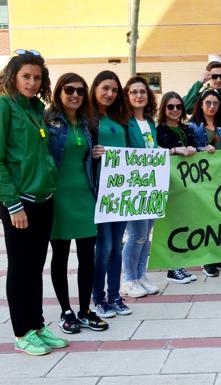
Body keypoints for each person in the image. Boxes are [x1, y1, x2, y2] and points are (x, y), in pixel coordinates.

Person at [0, 50, 68, 355]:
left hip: (44, 198)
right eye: (26, 76)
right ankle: (21, 332)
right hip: (20, 202)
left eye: (36, 77)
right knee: (20, 266)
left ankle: (37, 325)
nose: (31, 82)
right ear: (13, 76)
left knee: (36, 266)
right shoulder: (4, 106)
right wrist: (12, 204)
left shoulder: (35, 108)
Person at [47, 73, 108, 334]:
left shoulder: (86, 123)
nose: (75, 95)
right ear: (59, 92)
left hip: (85, 195)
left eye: (80, 91)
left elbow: (84, 158)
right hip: (58, 197)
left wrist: (95, 154)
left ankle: (85, 310)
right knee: (60, 256)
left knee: (87, 257)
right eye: (69, 90)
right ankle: (66, 311)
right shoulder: (48, 121)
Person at [89, 70, 132, 318]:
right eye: (105, 88)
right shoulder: (88, 120)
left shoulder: (119, 121)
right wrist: (91, 153)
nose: (109, 94)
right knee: (103, 248)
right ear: (95, 88)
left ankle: (114, 296)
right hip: (100, 193)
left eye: (114, 90)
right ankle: (98, 298)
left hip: (121, 193)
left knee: (117, 246)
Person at [120, 76, 160, 297]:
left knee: (146, 234)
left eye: (142, 91)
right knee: (136, 235)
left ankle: (140, 274)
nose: (138, 95)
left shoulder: (151, 123)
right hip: (134, 186)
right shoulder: (125, 124)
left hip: (151, 185)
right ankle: (129, 279)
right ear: (127, 96)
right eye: (133, 92)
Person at [188, 88, 221, 277]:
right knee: (204, 219)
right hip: (202, 180)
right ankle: (205, 259)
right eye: (208, 103)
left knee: (217, 218)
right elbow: (190, 150)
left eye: (215, 103)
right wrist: (201, 149)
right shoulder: (193, 126)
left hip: (220, 179)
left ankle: (214, 254)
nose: (212, 106)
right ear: (201, 104)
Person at [156, 91, 199, 283]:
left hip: (187, 186)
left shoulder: (187, 129)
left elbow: (196, 150)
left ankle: (180, 265)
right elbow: (155, 154)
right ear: (164, 108)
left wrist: (201, 150)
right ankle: (172, 268)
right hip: (168, 185)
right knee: (171, 226)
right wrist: (174, 151)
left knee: (183, 225)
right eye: (170, 106)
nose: (174, 110)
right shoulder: (159, 131)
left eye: (178, 107)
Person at [183, 60, 221, 155]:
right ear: (208, 76)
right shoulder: (199, 98)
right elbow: (184, 107)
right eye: (214, 76)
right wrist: (199, 83)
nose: (219, 79)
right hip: (203, 154)